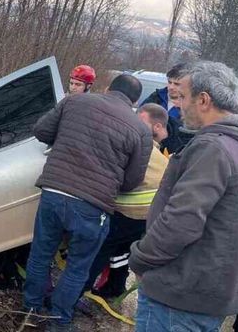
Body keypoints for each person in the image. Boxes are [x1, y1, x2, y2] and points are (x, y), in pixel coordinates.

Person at [129, 61, 238, 332]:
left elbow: (181, 221)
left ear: (203, 100)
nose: (177, 106)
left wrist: (141, 259)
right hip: (206, 293)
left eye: (182, 97)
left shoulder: (213, 149)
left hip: (179, 294)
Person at [22, 74, 152, 331]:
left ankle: (30, 309)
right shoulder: (140, 130)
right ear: (135, 101)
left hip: (54, 191)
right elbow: (131, 182)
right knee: (77, 266)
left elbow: (41, 130)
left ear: (107, 88)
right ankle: (58, 321)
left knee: (40, 254)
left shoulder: (75, 102)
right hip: (93, 205)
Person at [81, 103, 170, 301]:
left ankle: (79, 289)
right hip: (144, 216)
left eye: (141, 121)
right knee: (122, 250)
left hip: (129, 213)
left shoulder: (144, 149)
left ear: (157, 126)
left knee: (102, 246)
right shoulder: (157, 152)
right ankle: (115, 286)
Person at [140, 63, 193, 155]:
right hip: (144, 150)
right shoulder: (155, 97)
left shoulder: (193, 109)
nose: (171, 87)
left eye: (177, 84)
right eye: (169, 82)